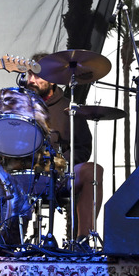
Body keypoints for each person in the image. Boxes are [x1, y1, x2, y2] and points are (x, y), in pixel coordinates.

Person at [24, 53, 103, 247]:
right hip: (22, 175)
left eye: (38, 76)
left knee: (93, 171)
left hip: (58, 175)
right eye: (29, 75)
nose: (32, 80)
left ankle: (83, 241)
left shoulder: (70, 108)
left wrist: (61, 162)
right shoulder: (16, 104)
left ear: (52, 80)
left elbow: (83, 148)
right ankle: (6, 243)